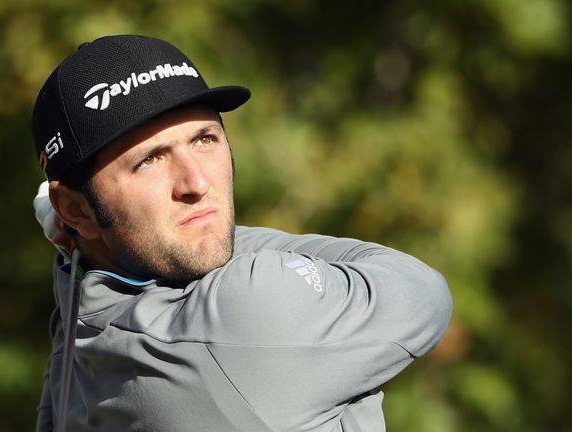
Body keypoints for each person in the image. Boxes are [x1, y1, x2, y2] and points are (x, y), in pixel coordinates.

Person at [30, 34, 452, 432]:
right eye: (150, 160)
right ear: (73, 208)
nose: (196, 183)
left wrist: (78, 244)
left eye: (205, 139)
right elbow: (421, 289)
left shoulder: (80, 321)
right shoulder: (244, 314)